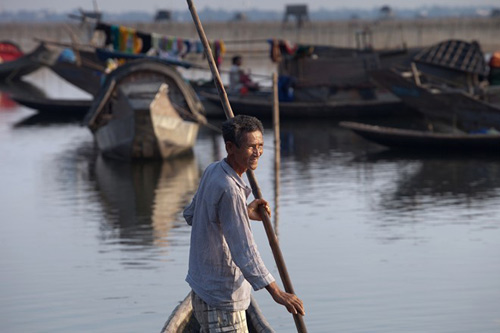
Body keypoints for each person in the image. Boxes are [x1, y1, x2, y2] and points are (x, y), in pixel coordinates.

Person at [183, 115, 304, 332]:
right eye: (250, 147)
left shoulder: (213, 170)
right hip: (222, 298)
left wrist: (243, 212)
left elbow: (193, 214)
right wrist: (277, 293)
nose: (257, 153)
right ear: (230, 147)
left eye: (260, 146)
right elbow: (245, 251)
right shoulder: (230, 189)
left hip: (201, 289)